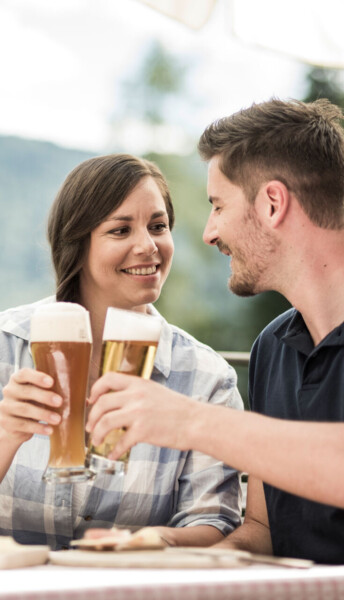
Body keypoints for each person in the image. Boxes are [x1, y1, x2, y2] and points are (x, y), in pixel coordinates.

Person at [85, 99, 344, 569]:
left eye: (218, 205)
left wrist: (186, 420)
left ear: (272, 203)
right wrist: (164, 551)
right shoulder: (273, 346)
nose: (209, 232)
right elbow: (264, 533)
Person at [0, 154, 243, 550]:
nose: (148, 246)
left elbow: (214, 521)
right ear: (77, 243)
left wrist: (156, 540)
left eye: (158, 226)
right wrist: (7, 436)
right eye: (120, 230)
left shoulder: (205, 377)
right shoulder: (6, 345)